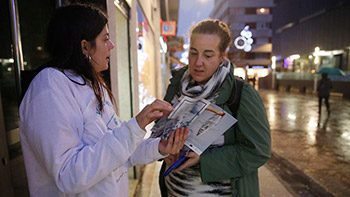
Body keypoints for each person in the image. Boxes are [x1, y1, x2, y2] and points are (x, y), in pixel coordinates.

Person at [19, 4, 188, 196]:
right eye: (105, 39)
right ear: (84, 46)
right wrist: (136, 125)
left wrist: (158, 147)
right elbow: (68, 176)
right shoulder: (49, 86)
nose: (112, 45)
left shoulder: (93, 83)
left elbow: (118, 152)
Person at [159, 19, 271, 197]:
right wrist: (162, 149)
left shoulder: (242, 94)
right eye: (193, 53)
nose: (198, 62)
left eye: (208, 55)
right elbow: (161, 129)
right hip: (174, 190)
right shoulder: (178, 85)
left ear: (221, 57)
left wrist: (204, 160)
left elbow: (258, 151)